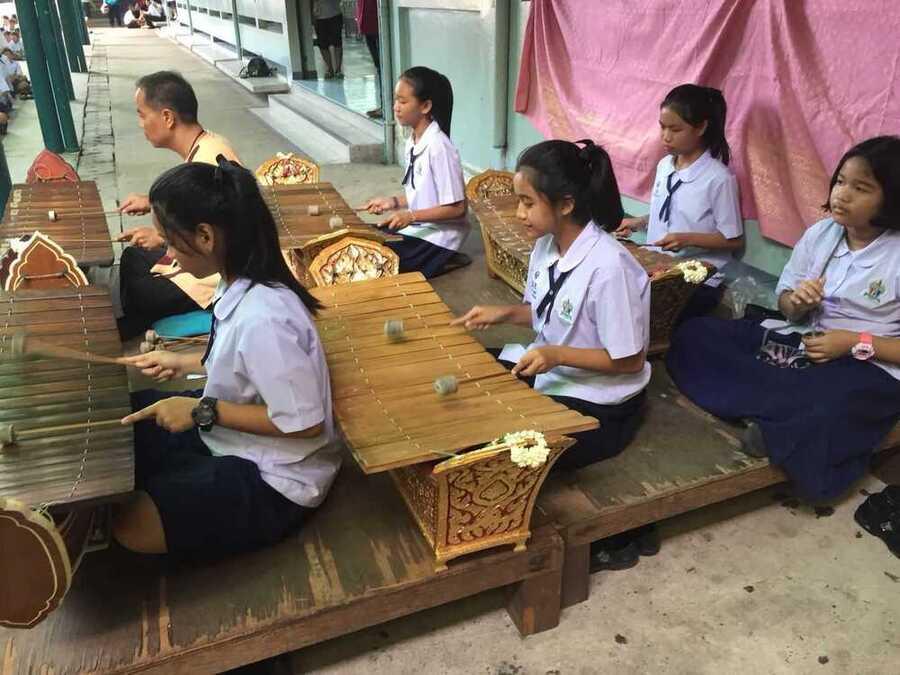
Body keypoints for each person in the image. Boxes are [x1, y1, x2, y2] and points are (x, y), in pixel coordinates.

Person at [113, 158, 341, 556]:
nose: (167, 252)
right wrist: (183, 362)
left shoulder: (265, 318)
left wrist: (201, 411)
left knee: (130, 527)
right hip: (231, 435)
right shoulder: (238, 283)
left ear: (205, 236)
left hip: (279, 477)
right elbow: (242, 363)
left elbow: (305, 423)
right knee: (125, 420)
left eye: (170, 242)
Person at [452, 139, 657, 570]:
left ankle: (624, 531)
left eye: (527, 203)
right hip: (552, 372)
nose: (519, 213)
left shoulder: (610, 268)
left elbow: (630, 360)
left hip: (602, 404)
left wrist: (557, 355)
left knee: (504, 448)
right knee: (466, 378)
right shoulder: (547, 246)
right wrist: (506, 313)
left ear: (565, 204)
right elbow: (547, 310)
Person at [666, 136, 900, 502]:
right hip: (803, 343)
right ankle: (783, 417)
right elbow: (787, 306)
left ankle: (774, 412)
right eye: (840, 181)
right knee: (695, 335)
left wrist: (853, 342)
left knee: (838, 401)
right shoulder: (822, 234)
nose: (842, 194)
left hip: (866, 364)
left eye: (861, 188)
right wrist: (797, 303)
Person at [115, 71, 241, 339]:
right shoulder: (207, 144)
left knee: (142, 288)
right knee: (132, 258)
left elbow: (222, 234)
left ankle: (142, 325)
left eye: (142, 115)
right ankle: (140, 321)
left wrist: (163, 239)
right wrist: (151, 203)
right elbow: (195, 205)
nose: (140, 124)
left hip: (218, 273)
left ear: (167, 117)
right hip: (200, 255)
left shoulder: (210, 159)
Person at [615, 84, 743, 318]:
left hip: (697, 278)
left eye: (675, 129)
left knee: (634, 310)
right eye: (662, 127)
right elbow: (673, 214)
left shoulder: (718, 179)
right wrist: (638, 222)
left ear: (701, 127)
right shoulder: (665, 166)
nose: (665, 136)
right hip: (660, 267)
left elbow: (733, 240)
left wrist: (687, 239)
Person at [359, 66, 468, 278]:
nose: (395, 107)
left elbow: (458, 208)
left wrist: (411, 215)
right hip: (418, 227)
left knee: (371, 260)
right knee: (362, 238)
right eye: (395, 100)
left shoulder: (440, 147)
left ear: (425, 106)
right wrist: (393, 202)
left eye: (402, 101)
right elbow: (425, 194)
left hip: (438, 237)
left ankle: (444, 258)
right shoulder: (413, 141)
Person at [356, 0, 381, 118]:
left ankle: (387, 106)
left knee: (383, 67)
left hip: (378, 23)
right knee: (379, 67)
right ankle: (385, 105)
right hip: (368, 25)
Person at [312, 0, 343, 79]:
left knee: (337, 43)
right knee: (323, 45)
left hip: (335, 14)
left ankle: (338, 70)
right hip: (319, 17)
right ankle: (330, 69)